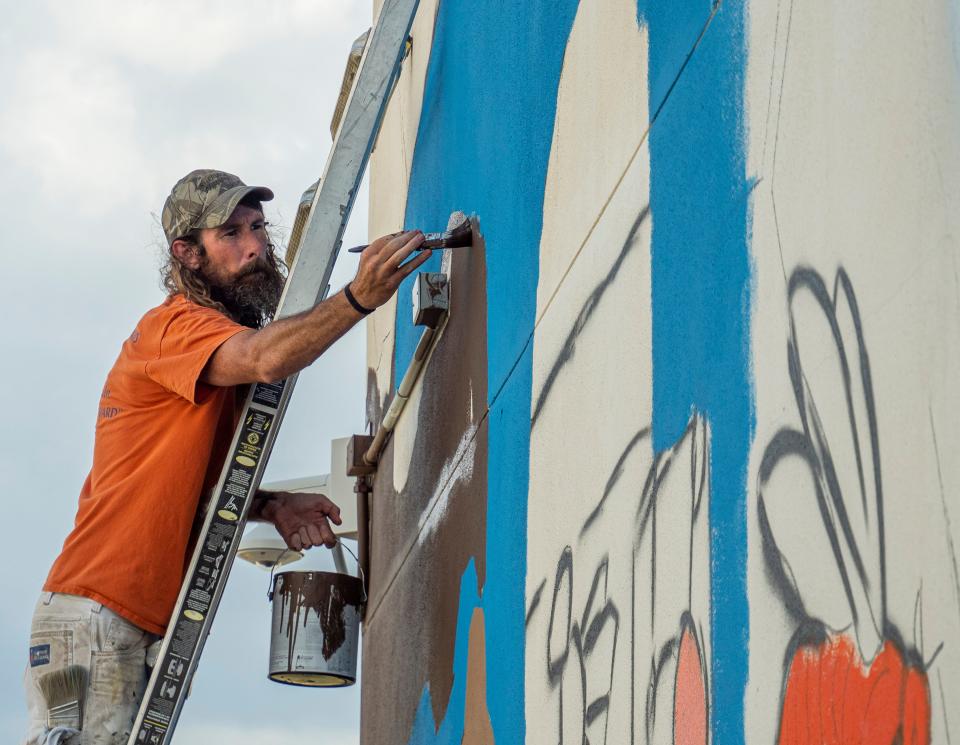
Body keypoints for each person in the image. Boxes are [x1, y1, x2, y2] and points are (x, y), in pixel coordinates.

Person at [22, 169, 431, 744]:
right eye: (231, 234)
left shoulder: (207, 337)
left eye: (259, 227)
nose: (256, 246)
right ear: (187, 254)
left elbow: (193, 486)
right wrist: (358, 297)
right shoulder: (175, 327)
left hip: (130, 615)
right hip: (99, 609)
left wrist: (272, 505)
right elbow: (266, 359)